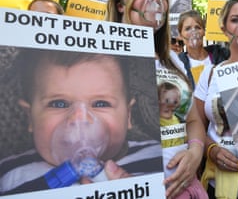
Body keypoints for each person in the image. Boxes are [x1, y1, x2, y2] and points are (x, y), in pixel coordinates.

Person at [105, 0, 207, 199]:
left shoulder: (171, 59)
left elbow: (192, 120)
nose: (154, 0)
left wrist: (195, 152)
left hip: (183, 186)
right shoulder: (102, 60)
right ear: (121, 4)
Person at [0, 49, 163, 195]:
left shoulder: (158, 159)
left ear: (127, 115)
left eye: (100, 103)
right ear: (30, 117)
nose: (80, 119)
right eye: (59, 103)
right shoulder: (8, 174)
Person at [193, 0, 238, 199]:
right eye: (235, 20)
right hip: (219, 186)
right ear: (223, 28)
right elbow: (196, 124)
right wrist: (211, 149)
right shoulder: (210, 74)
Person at [177, 10, 230, 89]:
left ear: (204, 31)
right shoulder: (176, 63)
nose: (193, 32)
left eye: (197, 27)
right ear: (180, 35)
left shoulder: (222, 54)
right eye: (188, 29)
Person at [158, 81, 183, 147]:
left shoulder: (176, 119)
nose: (170, 105)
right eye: (167, 100)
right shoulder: (155, 121)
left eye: (175, 102)